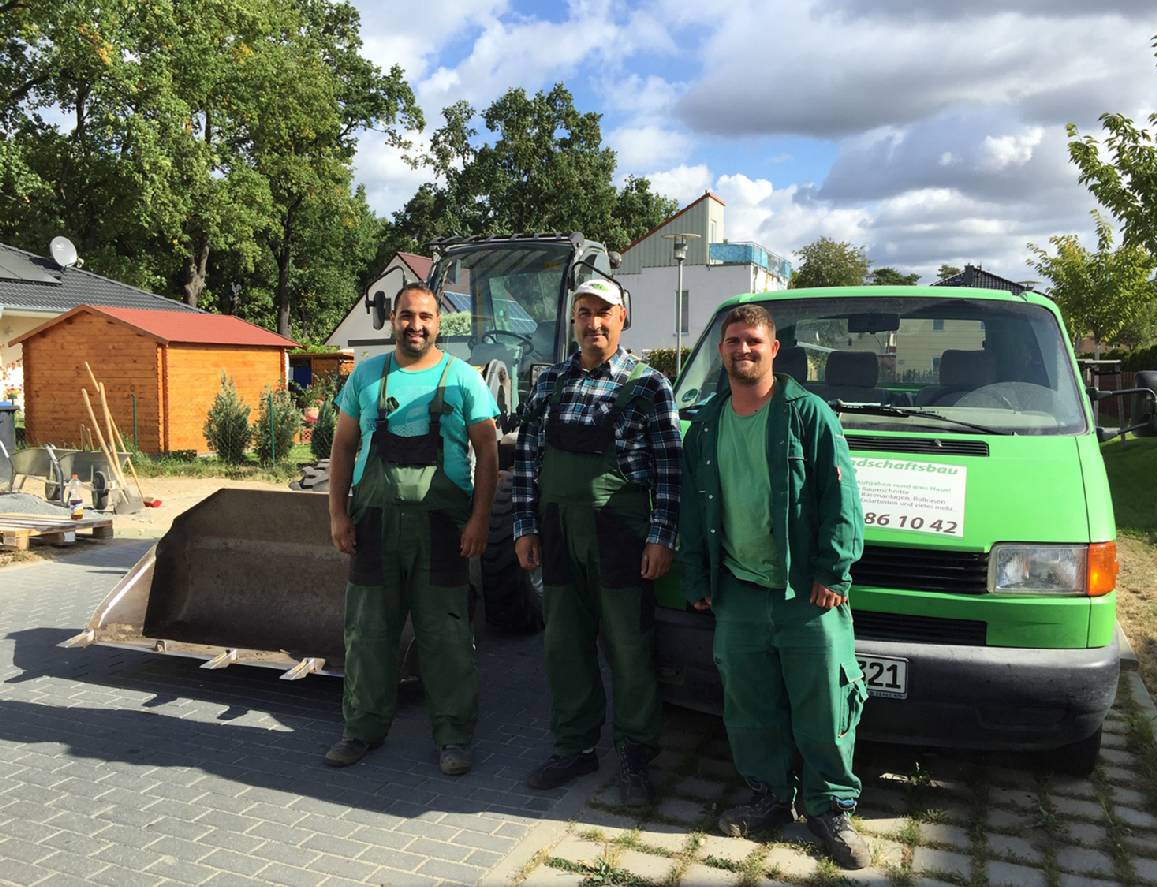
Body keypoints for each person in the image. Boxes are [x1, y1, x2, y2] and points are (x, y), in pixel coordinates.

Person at [679, 304, 870, 869]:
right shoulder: (707, 423)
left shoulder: (807, 414)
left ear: (774, 349)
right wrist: (697, 575)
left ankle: (830, 808)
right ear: (721, 350)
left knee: (824, 704)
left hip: (804, 593)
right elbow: (694, 507)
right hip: (737, 589)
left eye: (753, 341)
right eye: (733, 341)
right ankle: (766, 797)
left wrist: (833, 570)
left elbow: (843, 500)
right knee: (749, 703)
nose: (743, 350)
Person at [512, 278, 681, 807]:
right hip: (559, 534)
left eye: (603, 313)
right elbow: (527, 462)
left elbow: (671, 470)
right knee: (564, 644)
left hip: (621, 534)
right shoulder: (550, 382)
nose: (593, 323)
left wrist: (662, 536)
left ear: (623, 317)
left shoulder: (649, 385)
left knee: (629, 648)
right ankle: (575, 745)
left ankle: (634, 753)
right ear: (574, 319)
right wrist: (525, 527)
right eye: (584, 313)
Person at [324, 282, 499, 776]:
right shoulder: (366, 377)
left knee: (445, 635)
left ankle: (453, 736)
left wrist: (480, 519)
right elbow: (341, 448)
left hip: (443, 528)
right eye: (406, 315)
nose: (415, 325)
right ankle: (361, 729)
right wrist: (337, 513)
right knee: (367, 633)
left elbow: (487, 452)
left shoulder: (464, 379)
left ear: (439, 323)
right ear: (392, 320)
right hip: (374, 524)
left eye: (424, 316)